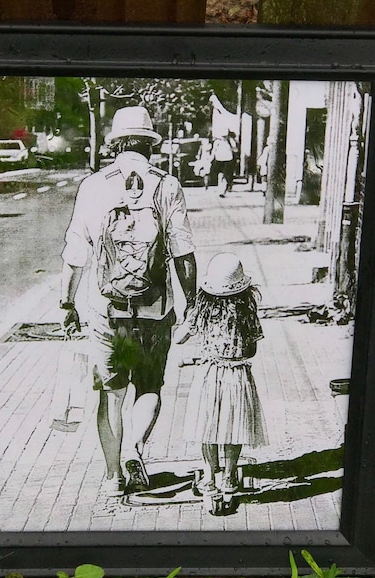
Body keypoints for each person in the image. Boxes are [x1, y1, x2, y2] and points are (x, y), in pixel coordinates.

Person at [60, 106, 197, 497]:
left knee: (112, 393)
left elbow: (76, 253)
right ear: (150, 146)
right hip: (155, 311)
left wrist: (67, 304)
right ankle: (136, 448)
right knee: (149, 385)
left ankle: (112, 477)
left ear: (115, 144)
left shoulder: (94, 186)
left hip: (109, 313)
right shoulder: (166, 185)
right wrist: (191, 307)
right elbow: (183, 253)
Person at [176, 252, 267, 498]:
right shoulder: (247, 308)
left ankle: (208, 477)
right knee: (234, 425)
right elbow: (253, 348)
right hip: (238, 375)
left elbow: (179, 338)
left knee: (207, 425)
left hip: (208, 373)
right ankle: (229, 476)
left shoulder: (202, 309)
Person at [212, 131, 237, 197]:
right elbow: (213, 150)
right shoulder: (217, 142)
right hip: (219, 159)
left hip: (228, 160)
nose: (224, 138)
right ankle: (220, 189)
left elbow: (235, 149)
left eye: (225, 136)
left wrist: (232, 147)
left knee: (226, 175)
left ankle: (223, 191)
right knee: (220, 175)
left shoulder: (230, 141)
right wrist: (211, 158)